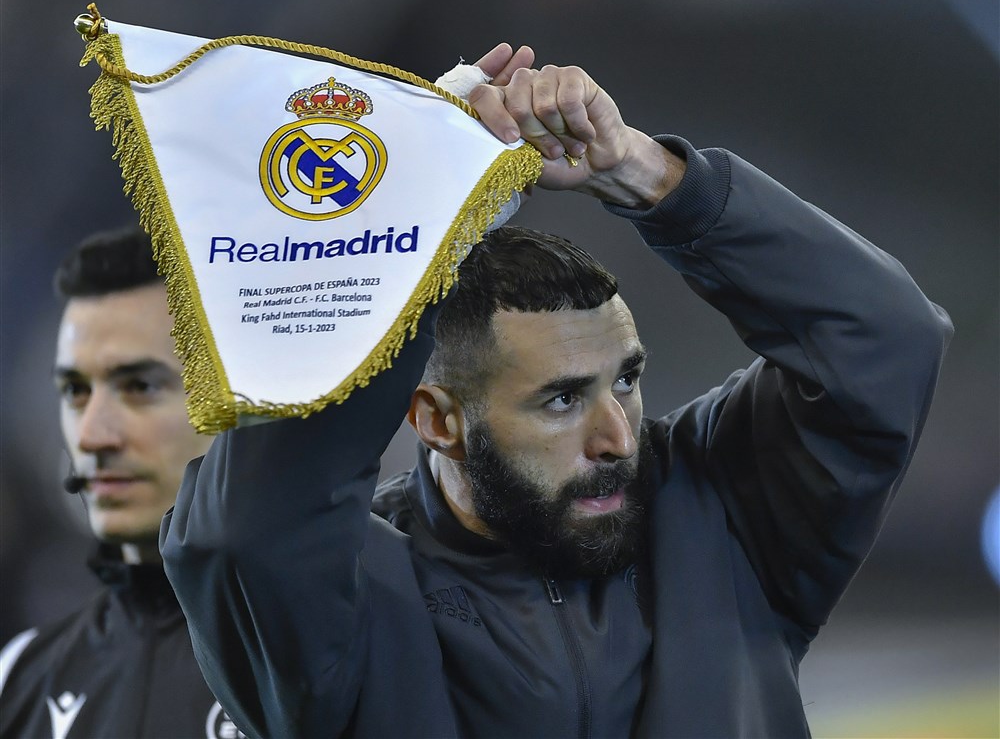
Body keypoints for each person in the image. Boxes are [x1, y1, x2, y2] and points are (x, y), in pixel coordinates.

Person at [160, 44, 953, 738]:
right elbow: (245, 528)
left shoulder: (723, 515)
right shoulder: (358, 595)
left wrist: (643, 172)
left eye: (628, 381)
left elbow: (888, 339)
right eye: (563, 400)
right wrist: (407, 214)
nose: (618, 437)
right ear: (437, 418)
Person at [0, 226, 241, 738]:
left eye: (139, 386)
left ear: (234, 401)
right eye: (75, 391)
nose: (91, 435)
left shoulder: (339, 656)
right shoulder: (19, 677)